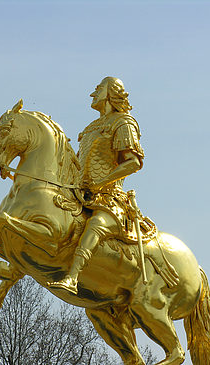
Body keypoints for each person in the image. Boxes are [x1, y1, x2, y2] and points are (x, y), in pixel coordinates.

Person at [48, 76, 145, 295]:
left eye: (98, 88)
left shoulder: (123, 122)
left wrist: (101, 183)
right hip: (82, 193)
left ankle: (72, 278)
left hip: (110, 198)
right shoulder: (92, 127)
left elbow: (134, 163)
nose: (93, 93)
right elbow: (76, 165)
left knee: (96, 226)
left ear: (111, 93)